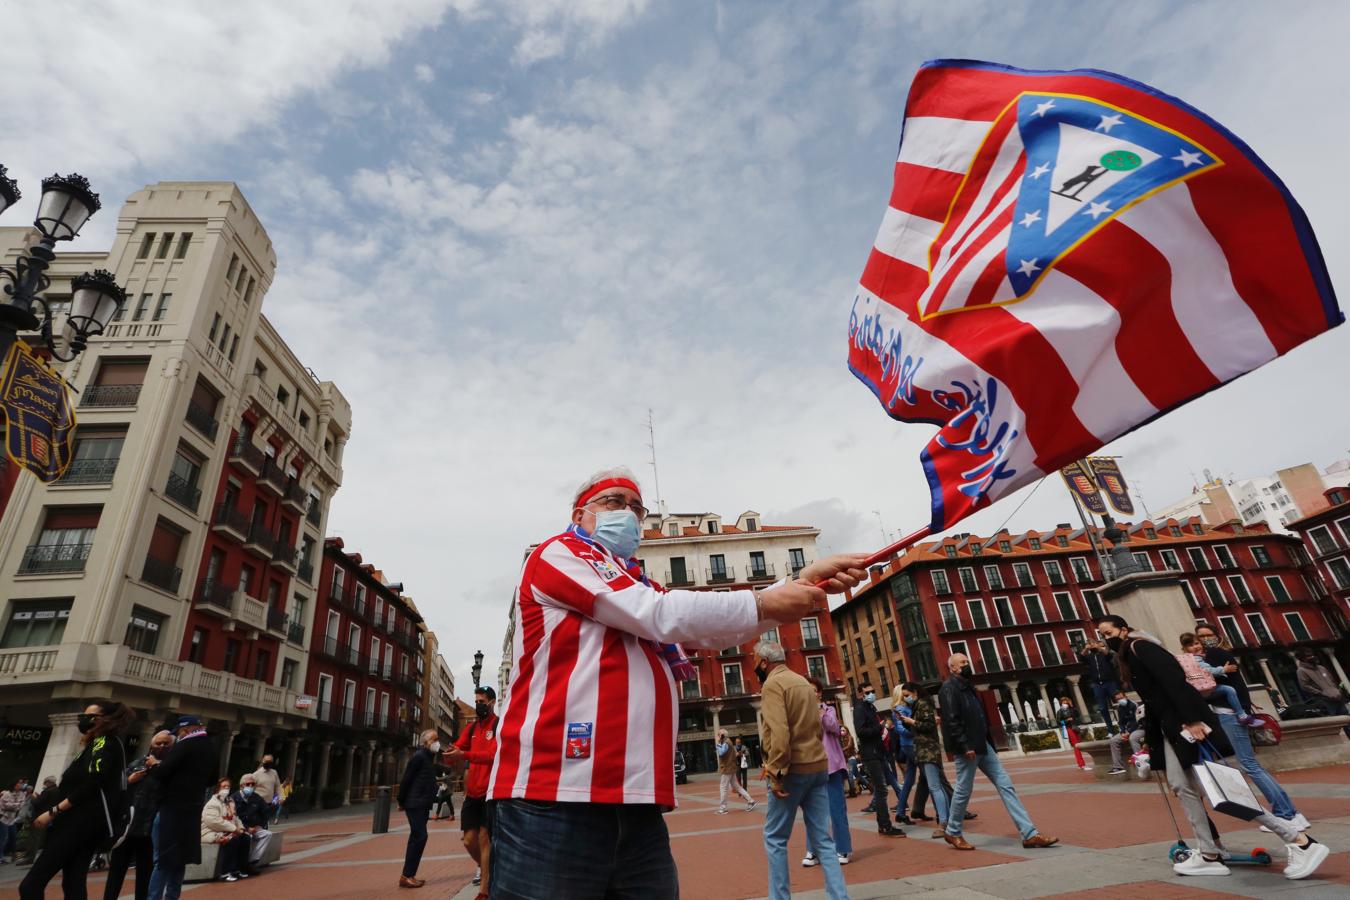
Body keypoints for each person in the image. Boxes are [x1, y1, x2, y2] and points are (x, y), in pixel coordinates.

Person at [487, 466, 867, 897]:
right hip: (553, 798)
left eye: (636, 508)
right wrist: (766, 599)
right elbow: (658, 614)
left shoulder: (637, 581)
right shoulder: (560, 554)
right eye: (614, 503)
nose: (628, 515)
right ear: (580, 514)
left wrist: (800, 581)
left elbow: (705, 630)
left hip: (637, 801)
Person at [1096, 615, 1329, 880]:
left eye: (1108, 632)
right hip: (1170, 729)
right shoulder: (1128, 655)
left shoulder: (1141, 647)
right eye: (1102, 635)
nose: (1105, 639)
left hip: (1185, 726)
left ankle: (1300, 841)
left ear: (1124, 630)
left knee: (1219, 788)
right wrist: (1151, 739)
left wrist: (1193, 719)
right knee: (1182, 786)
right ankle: (1209, 853)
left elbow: (1175, 681)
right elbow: (1153, 699)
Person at [756, 641, 846, 900]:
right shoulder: (804, 683)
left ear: (764, 661)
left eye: (754, 659)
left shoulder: (772, 685)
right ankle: (840, 897)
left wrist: (775, 772)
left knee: (775, 838)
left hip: (792, 769)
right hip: (818, 765)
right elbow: (817, 728)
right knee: (823, 840)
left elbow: (780, 734)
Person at [939, 654, 1058, 851]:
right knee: (963, 789)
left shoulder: (968, 686)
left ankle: (1029, 834)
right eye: (963, 663)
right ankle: (952, 831)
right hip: (968, 747)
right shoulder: (949, 689)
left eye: (968, 662)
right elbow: (951, 720)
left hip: (983, 745)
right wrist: (964, 745)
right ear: (952, 668)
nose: (967, 665)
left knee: (1006, 785)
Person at [20, 700, 136, 899]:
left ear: (105, 719)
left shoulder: (103, 743)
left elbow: (93, 783)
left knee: (31, 885)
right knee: (73, 883)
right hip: (86, 825)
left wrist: (54, 811)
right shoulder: (100, 744)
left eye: (90, 716)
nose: (84, 720)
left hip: (77, 823)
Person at [147, 715, 217, 900]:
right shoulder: (211, 746)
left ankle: (153, 897)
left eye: (178, 732)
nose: (178, 736)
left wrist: (154, 765)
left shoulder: (185, 745)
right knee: (180, 860)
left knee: (161, 860)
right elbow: (212, 779)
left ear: (185, 730)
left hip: (172, 808)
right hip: (193, 809)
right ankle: (172, 897)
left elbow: (162, 772)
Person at [104, 730, 174, 900]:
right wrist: (129, 780)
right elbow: (117, 787)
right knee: (116, 872)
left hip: (150, 829)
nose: (162, 746)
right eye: (159, 743)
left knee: (145, 873)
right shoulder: (136, 764)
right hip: (128, 827)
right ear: (151, 745)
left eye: (166, 744)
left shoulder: (170, 768)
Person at [446, 684, 498, 897]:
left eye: (482, 702)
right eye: (476, 702)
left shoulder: (497, 726)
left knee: (485, 838)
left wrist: (464, 755)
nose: (478, 706)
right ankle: (488, 869)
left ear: (492, 703)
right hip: (472, 793)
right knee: (469, 840)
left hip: (489, 792)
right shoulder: (471, 729)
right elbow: (458, 748)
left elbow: (493, 757)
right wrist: (449, 753)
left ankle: (484, 890)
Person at [802, 678, 852, 867]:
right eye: (807, 690)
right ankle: (812, 851)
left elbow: (834, 728)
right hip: (810, 767)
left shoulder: (829, 710)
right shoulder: (801, 713)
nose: (811, 693)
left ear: (819, 693)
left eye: (814, 690)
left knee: (837, 810)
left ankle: (843, 848)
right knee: (812, 813)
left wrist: (820, 712)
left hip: (832, 767)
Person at [897, 682, 951, 839]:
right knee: (937, 785)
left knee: (935, 786)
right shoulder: (919, 705)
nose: (906, 698)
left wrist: (912, 722)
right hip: (923, 750)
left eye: (907, 695)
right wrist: (904, 721)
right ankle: (946, 819)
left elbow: (928, 725)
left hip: (927, 750)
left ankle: (944, 822)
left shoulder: (922, 704)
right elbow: (918, 728)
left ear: (915, 692)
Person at [851, 680, 904, 837]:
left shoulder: (870, 707)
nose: (871, 694)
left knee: (882, 789)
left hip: (878, 753)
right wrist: (879, 728)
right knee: (881, 789)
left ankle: (884, 825)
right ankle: (885, 826)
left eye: (872, 691)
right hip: (871, 754)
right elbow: (861, 731)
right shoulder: (860, 709)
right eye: (867, 692)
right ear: (860, 694)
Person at [1179, 633, 1259, 725]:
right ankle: (1242, 715)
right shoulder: (1196, 659)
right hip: (1206, 689)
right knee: (1229, 690)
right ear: (1185, 649)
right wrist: (1223, 670)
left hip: (1199, 689)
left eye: (1197, 643)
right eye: (1190, 645)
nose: (1195, 647)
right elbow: (1208, 671)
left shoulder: (1190, 659)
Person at [396, 729, 440, 889]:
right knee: (420, 836)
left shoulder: (428, 758)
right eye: (434, 739)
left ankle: (409, 875)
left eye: (437, 739)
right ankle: (406, 875)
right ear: (425, 742)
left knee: (417, 837)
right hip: (415, 803)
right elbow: (407, 778)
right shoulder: (419, 756)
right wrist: (401, 800)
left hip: (421, 803)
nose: (437, 742)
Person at [200, 778, 250, 882]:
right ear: (218, 789)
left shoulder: (229, 802)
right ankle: (225, 872)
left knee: (245, 838)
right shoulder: (212, 803)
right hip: (211, 832)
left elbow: (235, 817)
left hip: (225, 830)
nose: (226, 789)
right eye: (224, 786)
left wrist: (240, 828)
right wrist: (235, 829)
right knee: (232, 840)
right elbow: (214, 822)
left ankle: (239, 869)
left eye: (228, 787)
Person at [1295, 648, 1350, 736]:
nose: (1312, 657)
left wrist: (1337, 690)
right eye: (1308, 656)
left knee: (1347, 721)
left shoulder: (1321, 668)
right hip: (1325, 701)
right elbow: (1304, 686)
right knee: (1334, 724)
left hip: (1338, 698)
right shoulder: (1301, 671)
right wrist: (1321, 693)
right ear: (1302, 659)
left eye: (1312, 655)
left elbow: (1332, 680)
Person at [231, 774, 273, 871]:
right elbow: (234, 817)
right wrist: (246, 828)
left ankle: (252, 861)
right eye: (248, 784)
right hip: (240, 828)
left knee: (267, 834)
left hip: (254, 827)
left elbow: (266, 812)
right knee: (247, 837)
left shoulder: (257, 798)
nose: (250, 786)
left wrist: (260, 825)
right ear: (241, 785)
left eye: (253, 784)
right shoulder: (234, 798)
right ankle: (243, 864)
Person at [889, 686, 918, 823]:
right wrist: (917, 728)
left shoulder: (902, 708)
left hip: (908, 744)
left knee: (909, 780)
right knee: (932, 778)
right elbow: (901, 729)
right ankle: (943, 815)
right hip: (910, 744)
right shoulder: (900, 709)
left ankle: (901, 811)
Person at [1077, 639, 1120, 731]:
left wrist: (1099, 647)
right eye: (1089, 644)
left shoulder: (1104, 654)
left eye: (1092, 643)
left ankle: (1124, 726)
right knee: (1103, 708)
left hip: (1110, 682)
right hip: (1097, 684)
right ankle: (1110, 729)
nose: (1091, 645)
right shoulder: (1089, 657)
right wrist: (1085, 649)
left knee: (1119, 703)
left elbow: (1108, 654)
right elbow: (1080, 658)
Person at [17, 776, 58, 866]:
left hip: (39, 817)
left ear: (48, 782)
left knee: (33, 838)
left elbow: (37, 804)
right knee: (41, 838)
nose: (44, 784)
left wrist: (33, 797)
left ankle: (29, 858)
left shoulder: (47, 791)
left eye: (45, 782)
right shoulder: (57, 790)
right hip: (49, 816)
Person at [714, 729, 757, 814]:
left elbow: (721, 753)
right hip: (731, 768)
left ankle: (723, 808)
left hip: (727, 768)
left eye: (719, 735)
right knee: (737, 786)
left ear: (722, 735)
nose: (718, 736)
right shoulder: (729, 741)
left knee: (723, 788)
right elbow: (734, 753)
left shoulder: (725, 743)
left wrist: (718, 744)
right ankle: (751, 801)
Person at [1106, 694, 1143, 776]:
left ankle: (1141, 764)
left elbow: (1137, 721)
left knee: (1133, 738)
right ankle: (1118, 767)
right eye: (1118, 699)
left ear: (1126, 697)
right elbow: (1121, 722)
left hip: (1138, 728)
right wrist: (1123, 732)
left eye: (1121, 698)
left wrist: (1128, 733)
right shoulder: (1120, 708)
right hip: (1127, 731)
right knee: (1113, 740)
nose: (1120, 700)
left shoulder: (1134, 705)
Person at [1055, 697, 1088, 770]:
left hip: (1076, 728)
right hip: (1068, 728)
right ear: (1061, 703)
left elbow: (1078, 715)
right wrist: (1067, 720)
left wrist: (1072, 706)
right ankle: (1082, 764)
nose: (1065, 704)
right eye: (1064, 702)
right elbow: (1058, 722)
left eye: (1066, 702)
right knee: (1076, 745)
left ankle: (1080, 764)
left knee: (1078, 745)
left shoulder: (1072, 709)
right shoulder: (1060, 711)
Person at [0, 778, 27, 863]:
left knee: (13, 837)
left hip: (12, 819)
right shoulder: (6, 794)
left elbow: (21, 805)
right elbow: (4, 806)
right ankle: (0, 857)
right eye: (19, 783)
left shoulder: (22, 794)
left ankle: (12, 855)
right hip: (3, 818)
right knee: (3, 838)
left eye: (21, 783)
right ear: (14, 785)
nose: (21, 785)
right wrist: (16, 805)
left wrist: (14, 805)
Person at [249, 754, 282, 819]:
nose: (268, 763)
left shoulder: (274, 773)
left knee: (266, 822)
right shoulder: (256, 774)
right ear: (262, 761)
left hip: (269, 803)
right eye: (266, 761)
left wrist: (279, 798)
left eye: (270, 761)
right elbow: (251, 789)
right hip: (258, 804)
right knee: (257, 822)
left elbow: (277, 786)